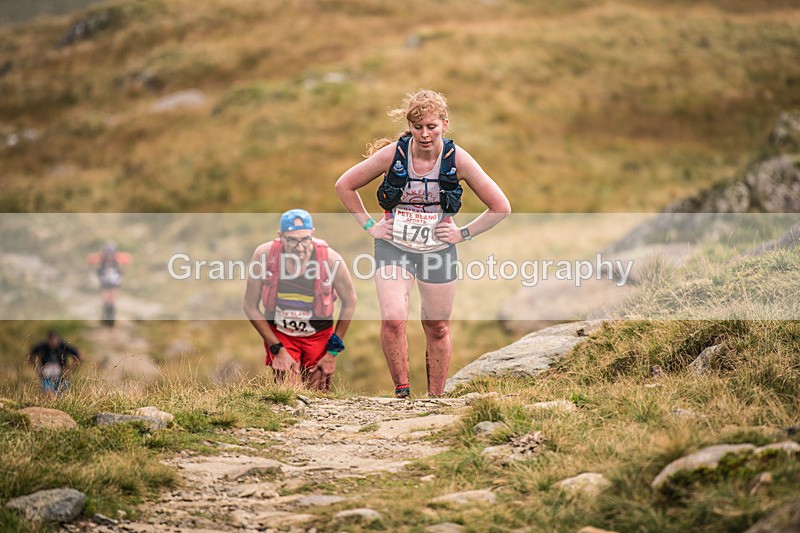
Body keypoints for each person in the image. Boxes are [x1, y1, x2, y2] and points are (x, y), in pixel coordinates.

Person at [335, 89, 511, 398]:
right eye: (418, 127)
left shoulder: (457, 159)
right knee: (393, 319)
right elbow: (344, 185)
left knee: (437, 326)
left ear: (444, 123)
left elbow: (501, 207)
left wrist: (463, 233)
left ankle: (435, 399)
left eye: (431, 126)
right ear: (410, 126)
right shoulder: (393, 154)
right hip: (395, 246)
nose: (425, 134)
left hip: (438, 250)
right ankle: (402, 393)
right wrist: (370, 226)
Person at [243, 209, 357, 392]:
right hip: (281, 334)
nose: (300, 247)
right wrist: (276, 348)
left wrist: (332, 352)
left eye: (305, 239)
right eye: (292, 240)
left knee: (318, 396)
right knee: (290, 394)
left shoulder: (330, 259)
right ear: (281, 237)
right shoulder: (264, 255)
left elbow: (350, 302)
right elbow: (250, 306)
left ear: (312, 233)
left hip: (318, 336)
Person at [87, 243, 131, 327]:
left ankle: (111, 320)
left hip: (114, 284)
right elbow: (93, 266)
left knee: (112, 302)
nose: (109, 256)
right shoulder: (103, 264)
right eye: (108, 253)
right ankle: (105, 319)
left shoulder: (116, 264)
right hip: (105, 284)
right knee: (106, 302)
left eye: (111, 253)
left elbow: (124, 267)